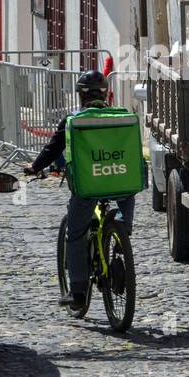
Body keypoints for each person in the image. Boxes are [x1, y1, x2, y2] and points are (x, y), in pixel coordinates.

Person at [25, 69, 136, 310]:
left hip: (89, 187)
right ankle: (122, 227)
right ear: (105, 94)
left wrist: (34, 168)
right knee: (125, 193)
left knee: (74, 234)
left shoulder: (73, 119)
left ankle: (77, 293)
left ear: (81, 95)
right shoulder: (121, 116)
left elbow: (53, 149)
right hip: (122, 183)